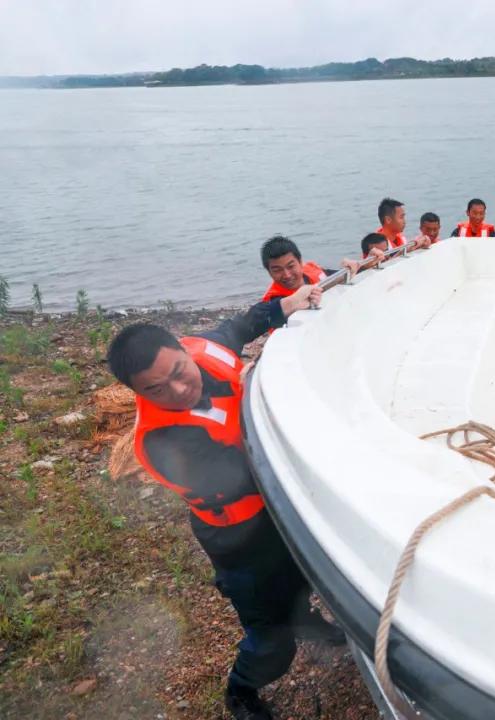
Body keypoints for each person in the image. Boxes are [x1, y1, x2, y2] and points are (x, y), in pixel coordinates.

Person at [107, 296, 346, 720]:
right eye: (156, 390)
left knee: (300, 577)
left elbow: (242, 324)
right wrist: (262, 386)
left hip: (278, 517)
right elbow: (240, 472)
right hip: (239, 542)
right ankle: (242, 690)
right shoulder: (162, 443)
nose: (179, 391)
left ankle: (304, 617)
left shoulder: (203, 349)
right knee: (270, 639)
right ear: (136, 393)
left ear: (183, 349)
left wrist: (287, 304)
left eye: (180, 372)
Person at [259, 235, 328, 303]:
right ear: (269, 272)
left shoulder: (312, 269)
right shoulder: (272, 301)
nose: (287, 275)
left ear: (300, 262)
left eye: (291, 266)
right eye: (277, 270)